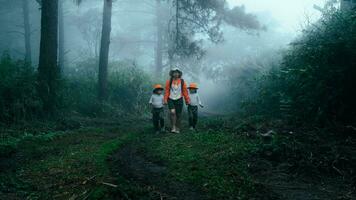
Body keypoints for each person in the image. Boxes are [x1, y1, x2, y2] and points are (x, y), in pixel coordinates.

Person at [164, 68, 190, 133]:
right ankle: (173, 127)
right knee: (172, 112)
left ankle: (177, 127)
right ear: (172, 74)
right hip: (170, 99)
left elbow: (185, 91)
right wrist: (165, 99)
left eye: (177, 72)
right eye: (174, 72)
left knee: (178, 114)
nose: (176, 74)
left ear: (179, 74)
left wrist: (187, 100)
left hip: (179, 99)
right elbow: (167, 91)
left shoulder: (182, 81)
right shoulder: (169, 81)